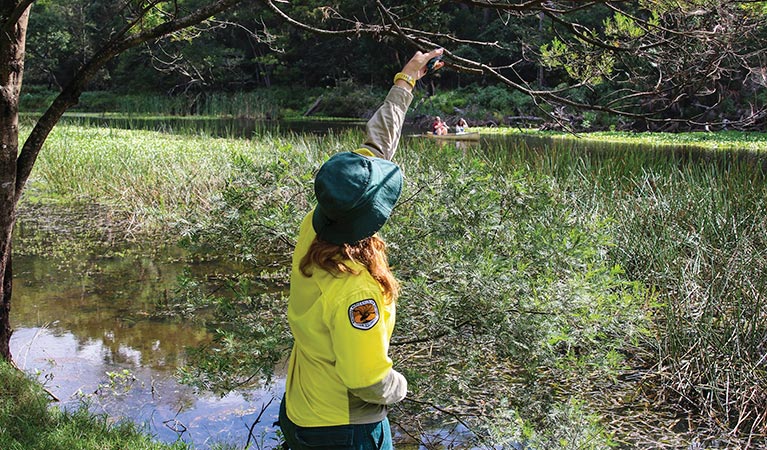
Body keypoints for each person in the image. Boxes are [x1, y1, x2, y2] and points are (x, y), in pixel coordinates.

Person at [279, 48, 445, 450]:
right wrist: (400, 387)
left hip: (302, 406)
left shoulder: (317, 221)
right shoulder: (357, 289)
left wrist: (406, 81)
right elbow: (367, 379)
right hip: (342, 429)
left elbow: (376, 147)